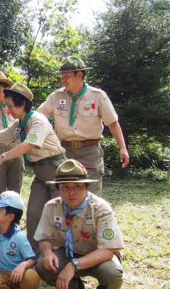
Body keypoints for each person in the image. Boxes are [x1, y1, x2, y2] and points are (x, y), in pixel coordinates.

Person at [0, 83, 66, 250]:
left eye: (10, 106)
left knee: (59, 215)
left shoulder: (38, 120)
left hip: (56, 170)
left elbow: (30, 144)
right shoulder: (19, 125)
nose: (7, 111)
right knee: (33, 214)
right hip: (40, 172)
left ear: (22, 104)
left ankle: (63, 253)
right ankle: (33, 256)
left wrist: (2, 157)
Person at [34, 159, 125, 289]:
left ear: (86, 187)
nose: (71, 192)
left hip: (98, 257)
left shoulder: (100, 208)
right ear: (58, 189)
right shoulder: (51, 207)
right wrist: (48, 253)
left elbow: (108, 250)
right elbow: (44, 238)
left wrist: (74, 265)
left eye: (77, 186)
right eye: (65, 187)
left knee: (112, 273)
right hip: (69, 252)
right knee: (43, 265)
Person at [37, 56, 129, 195]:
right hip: (64, 152)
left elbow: (112, 123)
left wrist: (122, 148)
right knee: (65, 194)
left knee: (90, 196)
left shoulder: (97, 96)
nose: (63, 80)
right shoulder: (56, 97)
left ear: (79, 75)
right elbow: (38, 117)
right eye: (62, 76)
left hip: (90, 152)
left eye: (67, 76)